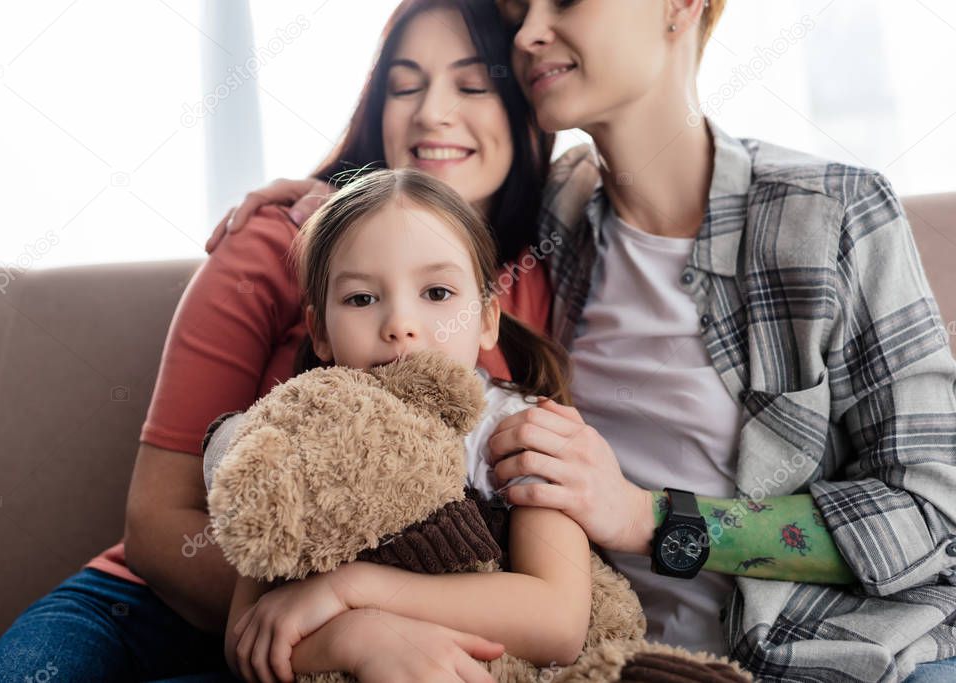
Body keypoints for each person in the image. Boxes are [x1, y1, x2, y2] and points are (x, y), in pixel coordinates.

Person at [216, 1, 956, 680]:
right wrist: (318, 200)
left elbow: (938, 514)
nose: (529, 31)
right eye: (519, 10)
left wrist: (647, 515)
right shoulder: (555, 219)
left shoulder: (830, 213)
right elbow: (412, 238)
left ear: (679, 6)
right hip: (610, 657)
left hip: (839, 652)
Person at [0, 2, 563, 681]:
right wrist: (345, 621)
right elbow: (158, 524)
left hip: (374, 636)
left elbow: (557, 598)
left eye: (472, 84)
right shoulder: (277, 240)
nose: (431, 112)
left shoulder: (541, 273)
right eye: (404, 85)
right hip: (158, 605)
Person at [204, 167, 588, 683]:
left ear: (488, 318)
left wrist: (349, 590)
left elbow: (558, 622)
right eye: (362, 299)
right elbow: (245, 639)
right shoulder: (299, 437)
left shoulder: (519, 434)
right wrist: (356, 639)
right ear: (320, 332)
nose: (400, 324)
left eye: (437, 293)